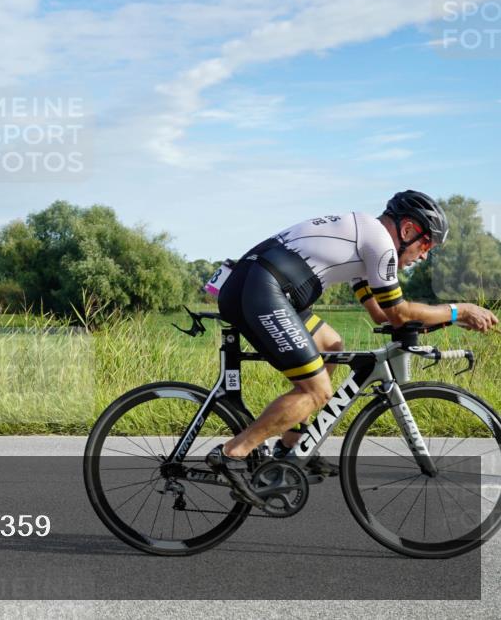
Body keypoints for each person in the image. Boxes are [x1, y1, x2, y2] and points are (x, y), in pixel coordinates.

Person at [205, 191, 498, 507]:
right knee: (316, 392)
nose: (425, 256)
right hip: (263, 290)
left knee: (332, 344)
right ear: (409, 230)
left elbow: (382, 315)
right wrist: (459, 310)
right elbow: (399, 313)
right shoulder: (380, 243)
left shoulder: (368, 240)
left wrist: (441, 322)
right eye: (427, 246)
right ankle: (232, 453)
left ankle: (291, 447)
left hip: (268, 287)